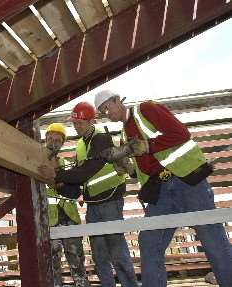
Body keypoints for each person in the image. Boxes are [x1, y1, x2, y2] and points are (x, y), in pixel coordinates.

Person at [94, 90, 232, 287]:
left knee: (211, 238)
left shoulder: (146, 110)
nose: (107, 112)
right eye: (102, 111)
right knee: (149, 241)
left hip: (187, 180)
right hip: (162, 191)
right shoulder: (125, 135)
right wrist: (126, 167)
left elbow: (181, 133)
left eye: (107, 106)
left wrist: (148, 146)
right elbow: (144, 170)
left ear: (118, 100)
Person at [39, 103, 139, 287]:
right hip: (93, 203)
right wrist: (58, 183)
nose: (77, 126)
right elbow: (76, 185)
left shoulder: (100, 138)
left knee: (117, 251)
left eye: (81, 123)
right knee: (99, 255)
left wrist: (56, 175)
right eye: (75, 123)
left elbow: (87, 171)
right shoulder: (80, 146)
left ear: (92, 121)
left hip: (110, 200)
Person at [44, 123, 91, 287]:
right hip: (49, 222)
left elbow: (74, 191)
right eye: (50, 139)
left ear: (62, 143)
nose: (53, 143)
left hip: (70, 219)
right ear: (45, 139)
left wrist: (61, 180)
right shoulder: (36, 164)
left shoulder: (67, 164)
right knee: (52, 267)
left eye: (57, 140)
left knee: (77, 264)